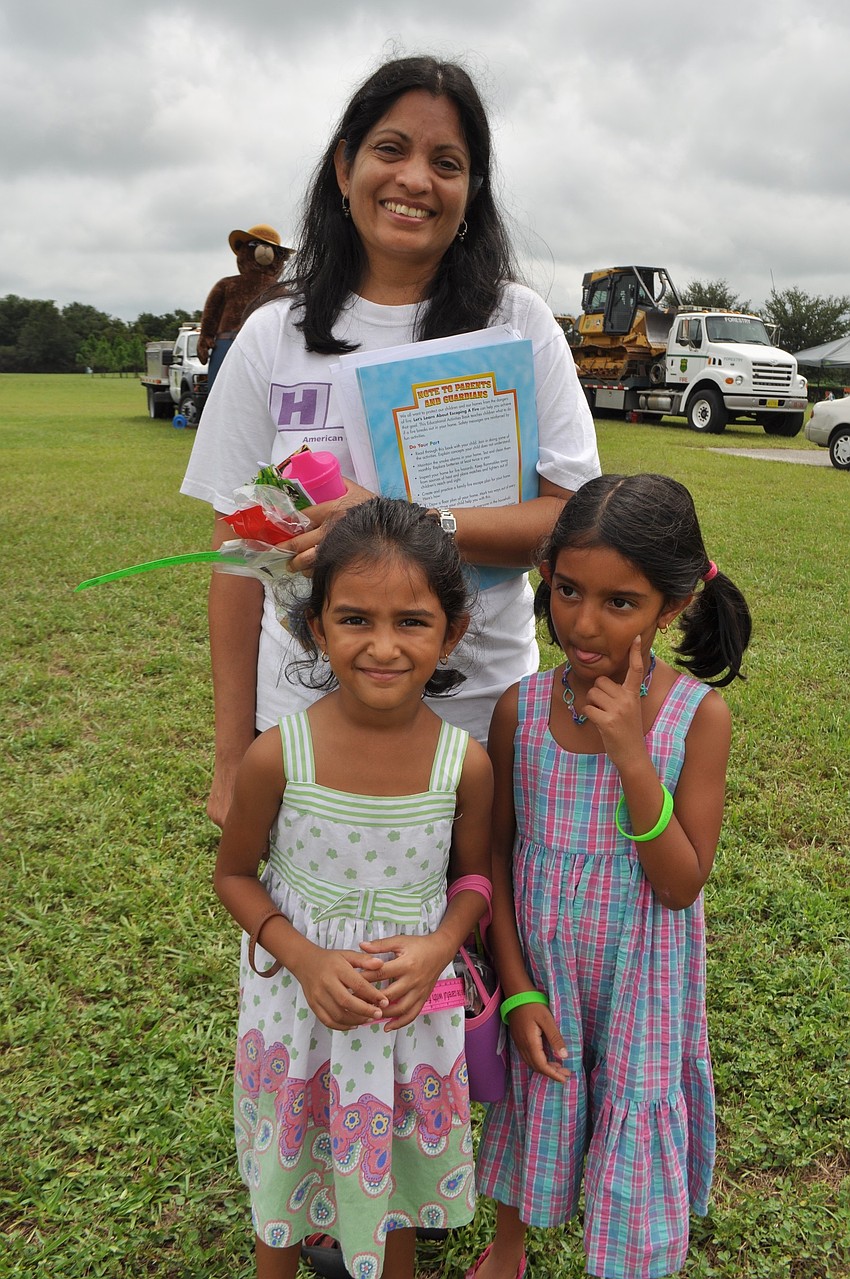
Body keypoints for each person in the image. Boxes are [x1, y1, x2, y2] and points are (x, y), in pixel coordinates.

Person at [180, 53, 600, 828]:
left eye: (447, 163)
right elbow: (234, 563)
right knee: (315, 936)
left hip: (476, 717)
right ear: (344, 167)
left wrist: (411, 522)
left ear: (471, 193)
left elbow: (569, 524)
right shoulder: (275, 334)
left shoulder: (515, 325)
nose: (415, 179)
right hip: (300, 716)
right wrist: (232, 754)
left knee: (466, 936)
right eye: (390, 149)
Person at [469, 474, 753, 1279]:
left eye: (620, 602)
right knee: (536, 1098)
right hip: (545, 973)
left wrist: (633, 754)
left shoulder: (698, 717)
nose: (583, 623)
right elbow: (497, 854)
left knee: (634, 1123)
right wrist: (518, 988)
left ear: (671, 606)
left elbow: (680, 883)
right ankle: (511, 1245)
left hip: (643, 986)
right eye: (567, 590)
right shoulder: (519, 710)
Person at [214, 497, 493, 1279]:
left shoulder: (462, 763)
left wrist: (442, 942)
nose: (383, 645)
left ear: (453, 630)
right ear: (315, 628)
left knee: (393, 1176)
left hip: (405, 1017)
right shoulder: (279, 755)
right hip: (296, 1010)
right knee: (286, 1166)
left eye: (411, 620)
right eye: (354, 619)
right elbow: (233, 874)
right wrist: (302, 957)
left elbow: (474, 880)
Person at [197, 224, 293, 391]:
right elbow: (210, 315)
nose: (263, 250)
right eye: (254, 245)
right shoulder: (227, 285)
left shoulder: (283, 292)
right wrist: (205, 337)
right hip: (232, 344)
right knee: (221, 393)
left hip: (266, 347)